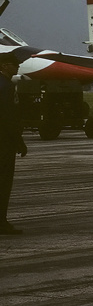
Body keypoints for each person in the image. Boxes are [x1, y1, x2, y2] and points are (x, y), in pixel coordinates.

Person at [1, 53, 27, 235]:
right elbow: (9, 118)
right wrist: (19, 142)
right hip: (4, 142)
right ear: (4, 65)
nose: (17, 67)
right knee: (3, 182)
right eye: (14, 65)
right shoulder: (8, 87)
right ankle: (1, 222)